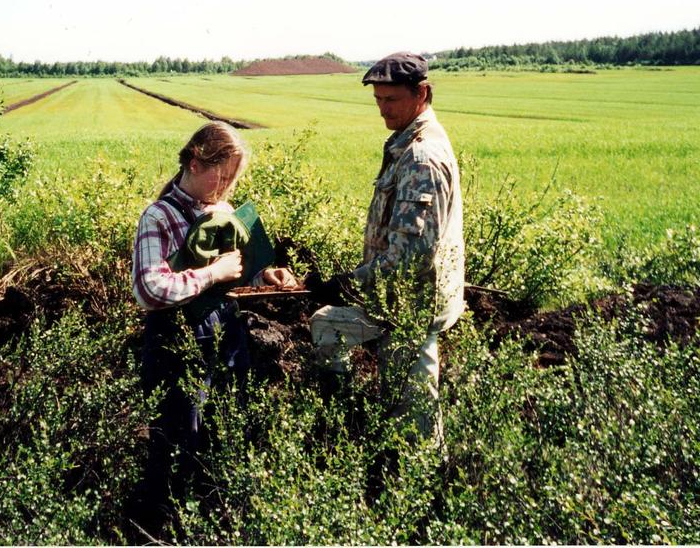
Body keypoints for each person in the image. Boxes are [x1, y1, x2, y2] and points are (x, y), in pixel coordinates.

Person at [128, 121, 297, 532]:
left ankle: (206, 525)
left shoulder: (221, 213)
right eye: (221, 178)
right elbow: (150, 289)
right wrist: (214, 273)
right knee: (176, 437)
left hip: (224, 333)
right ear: (193, 161)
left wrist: (265, 277)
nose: (225, 190)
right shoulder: (160, 216)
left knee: (220, 429)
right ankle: (157, 531)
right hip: (176, 339)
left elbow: (238, 272)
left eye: (233, 180)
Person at [308, 52, 464, 446]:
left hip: (412, 307)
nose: (382, 109)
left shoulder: (421, 157)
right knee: (327, 327)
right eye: (378, 100)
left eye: (391, 100)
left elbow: (408, 258)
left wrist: (344, 285)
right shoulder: (407, 142)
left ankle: (421, 488)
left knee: (413, 425)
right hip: (394, 301)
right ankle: (346, 433)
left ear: (422, 93)